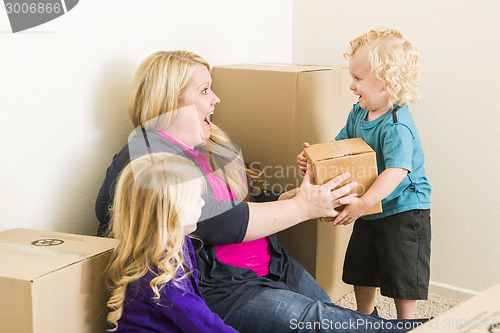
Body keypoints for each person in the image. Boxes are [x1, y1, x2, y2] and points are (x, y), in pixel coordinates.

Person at [97, 50, 428, 332]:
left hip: (273, 264)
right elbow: (216, 221)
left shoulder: (211, 145)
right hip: (228, 287)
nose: (216, 99)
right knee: (321, 320)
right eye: (204, 91)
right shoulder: (146, 158)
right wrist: (303, 208)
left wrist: (294, 198)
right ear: (169, 101)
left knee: (334, 316)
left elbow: (248, 199)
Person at [297, 27, 432, 320]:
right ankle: (364, 313)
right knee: (362, 263)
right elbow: (342, 146)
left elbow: (396, 171)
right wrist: (316, 159)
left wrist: (362, 203)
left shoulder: (397, 125)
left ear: (388, 83)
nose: (351, 86)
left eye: (358, 79)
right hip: (369, 206)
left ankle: (406, 322)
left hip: (403, 209)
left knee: (402, 271)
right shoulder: (358, 112)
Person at [106, 152, 238, 332]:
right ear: (169, 213)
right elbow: (203, 323)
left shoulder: (179, 241)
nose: (201, 203)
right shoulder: (159, 275)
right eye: (195, 199)